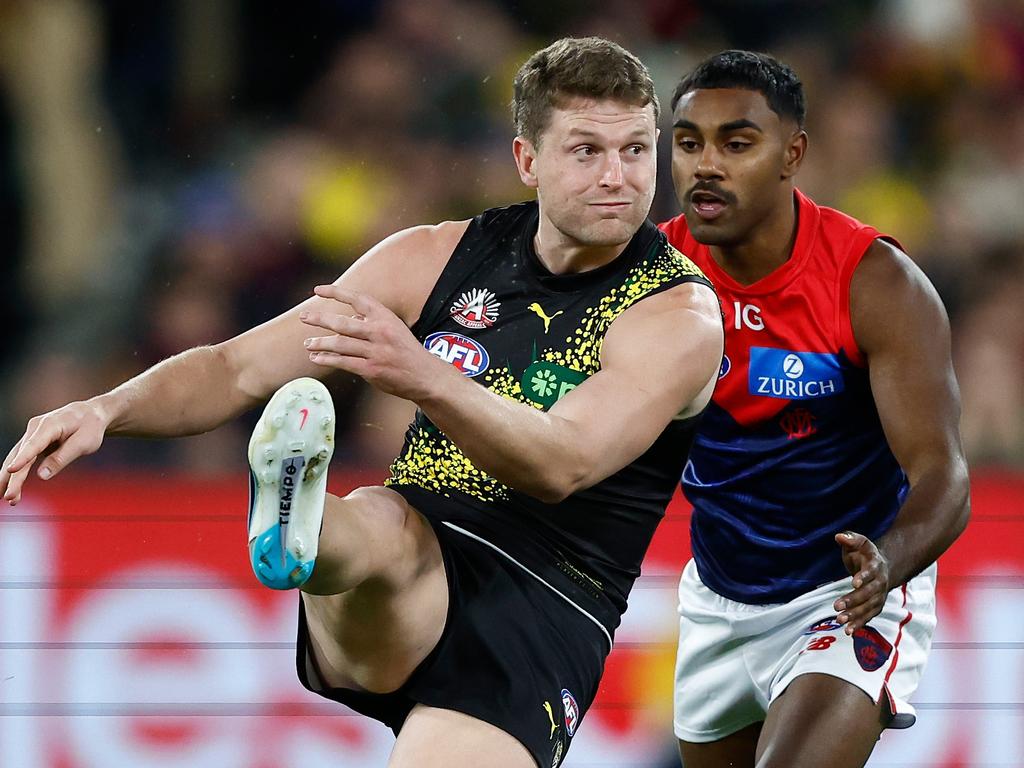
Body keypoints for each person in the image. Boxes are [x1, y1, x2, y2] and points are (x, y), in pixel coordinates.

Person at [0, 38, 723, 768]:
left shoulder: (676, 315)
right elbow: (235, 369)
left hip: (544, 605)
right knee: (383, 522)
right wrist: (104, 409)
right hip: (408, 565)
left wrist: (427, 377)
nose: (618, 177)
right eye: (587, 151)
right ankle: (305, 529)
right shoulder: (439, 256)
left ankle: (312, 528)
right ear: (527, 159)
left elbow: (565, 463)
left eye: (636, 150)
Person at [658, 50, 970, 768]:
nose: (707, 164)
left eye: (737, 143)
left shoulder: (876, 284)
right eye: (688, 143)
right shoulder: (653, 276)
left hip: (847, 595)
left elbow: (944, 479)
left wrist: (885, 565)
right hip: (717, 597)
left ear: (791, 154)